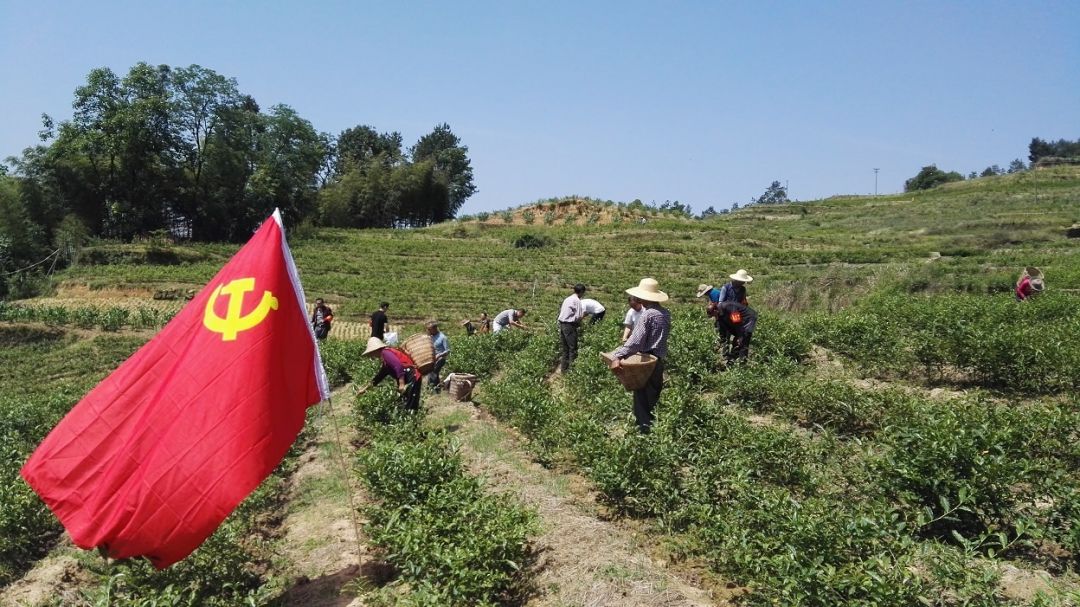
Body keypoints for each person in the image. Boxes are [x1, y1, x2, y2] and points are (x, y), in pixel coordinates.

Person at [608, 278, 670, 434]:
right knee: (653, 395)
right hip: (658, 360)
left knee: (641, 396)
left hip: (645, 361)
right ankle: (656, 430)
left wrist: (618, 356)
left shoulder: (648, 315)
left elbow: (635, 341)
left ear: (643, 297)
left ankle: (644, 433)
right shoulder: (665, 313)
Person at [357, 337, 422, 412]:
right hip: (408, 378)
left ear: (376, 349)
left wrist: (401, 383)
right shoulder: (386, 362)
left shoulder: (385, 352)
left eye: (371, 352)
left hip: (412, 377)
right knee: (404, 403)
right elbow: (378, 378)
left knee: (410, 406)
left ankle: (414, 422)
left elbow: (398, 366)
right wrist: (364, 389)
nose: (372, 355)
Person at [557, 284, 586, 372]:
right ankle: (571, 370)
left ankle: (563, 369)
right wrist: (582, 318)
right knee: (572, 348)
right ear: (581, 292)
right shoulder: (576, 301)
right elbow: (577, 317)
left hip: (562, 324)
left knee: (565, 348)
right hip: (569, 325)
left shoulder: (567, 299)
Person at [427, 321, 450, 393]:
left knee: (433, 373)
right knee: (433, 373)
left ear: (435, 328)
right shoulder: (431, 336)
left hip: (440, 359)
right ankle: (437, 389)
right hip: (433, 358)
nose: (428, 331)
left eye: (430, 329)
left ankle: (432, 390)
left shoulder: (443, 337)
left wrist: (439, 355)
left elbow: (448, 350)